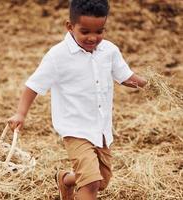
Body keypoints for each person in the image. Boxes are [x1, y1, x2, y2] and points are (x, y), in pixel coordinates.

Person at [8, 0, 147, 199]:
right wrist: (21, 113)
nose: (93, 37)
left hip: (101, 129)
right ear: (70, 26)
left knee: (101, 181)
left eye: (99, 31)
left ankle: (65, 179)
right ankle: (80, 183)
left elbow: (125, 76)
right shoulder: (58, 56)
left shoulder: (109, 51)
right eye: (85, 32)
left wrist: (149, 85)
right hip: (75, 129)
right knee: (90, 183)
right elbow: (33, 85)